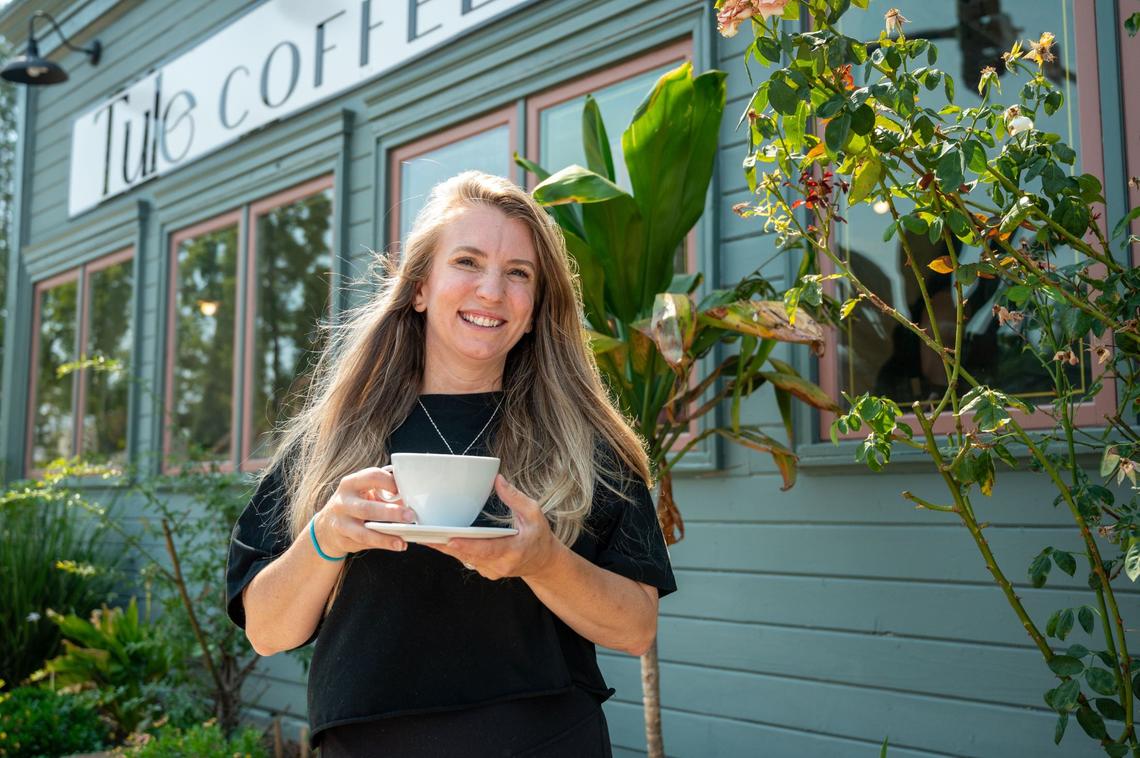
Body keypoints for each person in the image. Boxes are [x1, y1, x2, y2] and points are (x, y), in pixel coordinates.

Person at [225, 170, 676, 757]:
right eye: (467, 261)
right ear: (418, 289)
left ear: (537, 308)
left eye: (519, 274)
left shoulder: (584, 443)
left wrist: (543, 561)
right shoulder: (333, 437)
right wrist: (326, 536)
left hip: (543, 739)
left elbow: (636, 627)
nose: (492, 291)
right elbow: (265, 630)